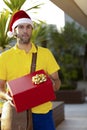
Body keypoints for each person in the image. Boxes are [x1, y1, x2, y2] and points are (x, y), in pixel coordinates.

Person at [0, 10, 61, 130]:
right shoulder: (4, 57)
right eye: (21, 27)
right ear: (14, 31)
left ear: (32, 30)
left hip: (43, 114)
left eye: (28, 27)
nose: (25, 30)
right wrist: (8, 97)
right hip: (17, 114)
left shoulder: (46, 54)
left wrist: (52, 85)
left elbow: (57, 82)